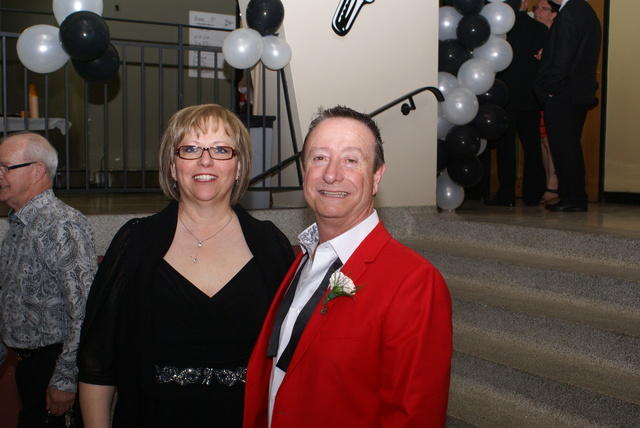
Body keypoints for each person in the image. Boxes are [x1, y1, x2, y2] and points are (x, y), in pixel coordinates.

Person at [77, 104, 295, 428]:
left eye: (221, 149)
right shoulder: (135, 243)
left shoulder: (270, 245)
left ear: (239, 167)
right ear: (171, 165)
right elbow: (97, 363)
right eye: (190, 149)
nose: (205, 161)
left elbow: (294, 360)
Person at [244, 106, 453, 428]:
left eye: (351, 160)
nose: (331, 174)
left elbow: (413, 415)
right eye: (319, 158)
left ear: (376, 176)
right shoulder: (302, 259)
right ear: (304, 170)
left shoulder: (414, 282)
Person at [0, 132, 97, 427]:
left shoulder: (63, 225)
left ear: (37, 171)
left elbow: (84, 308)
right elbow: (10, 297)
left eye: (5, 167)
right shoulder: (19, 223)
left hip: (53, 365)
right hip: (28, 365)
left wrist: (65, 379)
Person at [535, 0, 601, 212]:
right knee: (569, 147)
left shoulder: (570, 14)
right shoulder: (584, 10)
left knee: (565, 149)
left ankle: (573, 198)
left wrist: (549, 89)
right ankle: (573, 196)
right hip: (576, 93)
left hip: (563, 94)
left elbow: (563, 58)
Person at [485, 0, 548, 207]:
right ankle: (533, 194)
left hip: (505, 96)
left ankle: (506, 194)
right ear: (524, 3)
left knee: (506, 148)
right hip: (531, 96)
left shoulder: (497, 30)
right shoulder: (539, 29)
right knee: (532, 147)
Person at [534, 0, 561, 204]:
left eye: (544, 9)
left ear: (554, 14)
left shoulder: (558, 35)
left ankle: (554, 184)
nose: (538, 12)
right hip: (539, 95)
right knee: (543, 140)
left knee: (551, 140)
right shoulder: (536, 35)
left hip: (555, 95)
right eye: (536, 8)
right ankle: (547, 182)